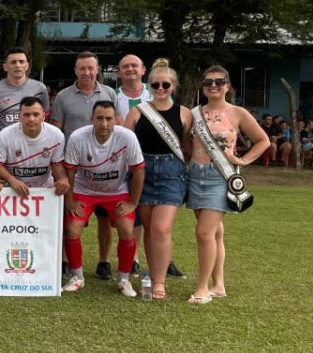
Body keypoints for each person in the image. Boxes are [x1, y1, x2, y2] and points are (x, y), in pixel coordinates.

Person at [185, 65, 271, 304]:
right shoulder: (193, 114)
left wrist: (243, 160)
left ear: (228, 85)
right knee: (215, 233)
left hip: (219, 177)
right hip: (196, 175)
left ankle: (202, 288)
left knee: (204, 233)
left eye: (219, 81)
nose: (213, 85)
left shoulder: (238, 113)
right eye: (208, 82)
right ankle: (219, 284)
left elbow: (263, 141)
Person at [123, 59, 191, 301]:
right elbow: (125, 145)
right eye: (155, 84)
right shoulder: (137, 112)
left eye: (165, 84)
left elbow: (188, 147)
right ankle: (152, 277)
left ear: (173, 86)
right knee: (150, 230)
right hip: (143, 172)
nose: (160, 88)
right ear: (149, 85)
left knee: (162, 229)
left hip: (171, 172)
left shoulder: (184, 114)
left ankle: (160, 282)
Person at [61, 101, 145, 297]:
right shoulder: (78, 137)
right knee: (72, 228)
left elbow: (139, 170)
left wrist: (133, 202)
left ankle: (124, 280)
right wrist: (71, 200)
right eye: (99, 118)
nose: (104, 123)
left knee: (126, 228)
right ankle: (77, 277)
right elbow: (70, 171)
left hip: (116, 191)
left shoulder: (127, 137)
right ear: (92, 120)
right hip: (85, 190)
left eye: (109, 119)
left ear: (116, 120)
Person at [51, 51, 117, 280]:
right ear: (75, 71)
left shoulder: (109, 93)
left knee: (104, 218)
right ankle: (64, 261)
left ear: (97, 69)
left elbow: (115, 127)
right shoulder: (63, 96)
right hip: (73, 166)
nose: (87, 72)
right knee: (69, 215)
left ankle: (104, 261)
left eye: (91, 68)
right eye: (82, 68)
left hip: (103, 166)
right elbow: (57, 131)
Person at [0, 96, 69, 197]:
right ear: (19, 116)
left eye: (36, 114)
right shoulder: (5, 135)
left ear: (44, 116)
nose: (31, 119)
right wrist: (12, 180)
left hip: (44, 188)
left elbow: (57, 164)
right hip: (13, 188)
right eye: (26, 115)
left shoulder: (56, 135)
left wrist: (62, 178)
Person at [0, 47, 50, 128]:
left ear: (27, 66)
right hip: (5, 140)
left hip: (32, 139)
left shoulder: (40, 89)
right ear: (5, 67)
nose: (18, 65)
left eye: (21, 62)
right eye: (13, 62)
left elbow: (45, 118)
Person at [113, 53, 152, 122]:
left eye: (134, 65)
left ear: (143, 70)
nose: (130, 69)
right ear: (118, 73)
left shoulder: (157, 91)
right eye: (125, 66)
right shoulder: (112, 96)